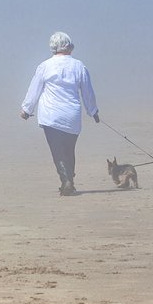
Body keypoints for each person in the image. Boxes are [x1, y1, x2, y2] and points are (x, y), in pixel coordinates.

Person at [21, 31, 100, 196]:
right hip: (72, 116)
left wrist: (27, 109)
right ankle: (69, 181)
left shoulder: (44, 66)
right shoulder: (79, 66)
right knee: (69, 150)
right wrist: (93, 111)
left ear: (52, 48)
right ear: (70, 46)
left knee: (58, 151)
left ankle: (66, 181)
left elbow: (34, 89)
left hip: (51, 116)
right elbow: (88, 92)